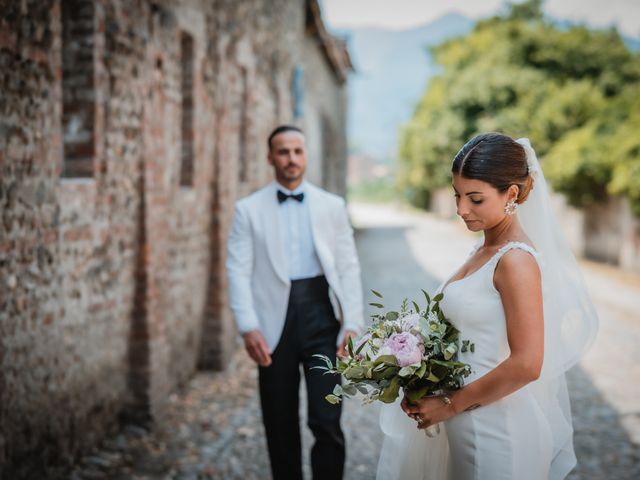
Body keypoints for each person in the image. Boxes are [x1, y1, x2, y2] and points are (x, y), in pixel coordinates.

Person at [377, 133, 598, 480]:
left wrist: (449, 404)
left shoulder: (516, 261)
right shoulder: (484, 250)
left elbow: (527, 363)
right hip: (469, 423)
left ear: (511, 194)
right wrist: (419, 380)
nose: (461, 209)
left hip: (500, 432)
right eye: (458, 195)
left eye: (475, 198)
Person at [226, 125, 364, 480]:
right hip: (274, 323)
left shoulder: (332, 206)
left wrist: (352, 322)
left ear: (306, 155)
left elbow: (348, 266)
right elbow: (237, 270)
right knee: (279, 420)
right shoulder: (248, 209)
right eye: (283, 152)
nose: (291, 158)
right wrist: (247, 326)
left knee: (327, 419)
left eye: (297, 151)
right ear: (270, 157)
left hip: (321, 316)